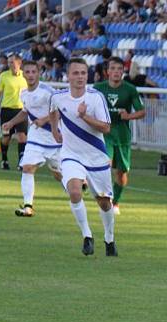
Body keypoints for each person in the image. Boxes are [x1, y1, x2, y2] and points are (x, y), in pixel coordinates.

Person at [49, 58, 116, 257]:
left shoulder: (96, 98)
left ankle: (109, 238)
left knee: (104, 202)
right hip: (70, 155)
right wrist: (54, 130)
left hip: (96, 157)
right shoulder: (58, 97)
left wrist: (84, 116)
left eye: (83, 73)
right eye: (76, 73)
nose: (80, 77)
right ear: (68, 76)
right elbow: (53, 112)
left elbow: (106, 127)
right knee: (75, 192)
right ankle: (87, 235)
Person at [0, 60, 63, 217]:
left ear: (39, 73)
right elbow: (25, 111)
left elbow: (60, 110)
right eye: (27, 72)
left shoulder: (48, 92)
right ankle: (28, 206)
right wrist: (11, 123)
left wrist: (44, 119)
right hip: (35, 137)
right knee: (27, 167)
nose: (30, 75)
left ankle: (79, 187)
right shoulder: (24, 93)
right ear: (23, 73)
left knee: (59, 175)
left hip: (53, 138)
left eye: (33, 72)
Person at [94, 57, 146, 216]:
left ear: (123, 71)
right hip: (105, 134)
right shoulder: (98, 88)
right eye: (113, 68)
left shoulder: (129, 89)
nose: (116, 72)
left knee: (122, 173)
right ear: (107, 71)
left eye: (119, 69)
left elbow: (142, 111)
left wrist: (128, 116)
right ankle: (106, 199)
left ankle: (115, 202)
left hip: (122, 135)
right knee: (104, 165)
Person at [0, 54, 28, 170]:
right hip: (7, 111)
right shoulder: (3, 76)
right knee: (6, 137)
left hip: (21, 111)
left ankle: (21, 162)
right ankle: (4, 159)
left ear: (19, 62)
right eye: (9, 62)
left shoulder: (25, 76)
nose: (10, 64)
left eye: (12, 62)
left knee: (22, 136)